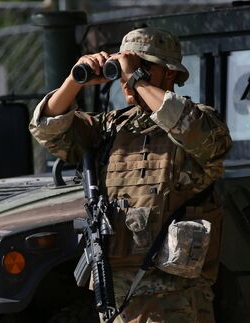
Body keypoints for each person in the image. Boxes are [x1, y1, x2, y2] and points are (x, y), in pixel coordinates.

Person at [29, 28, 232, 322]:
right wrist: (75, 79)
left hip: (175, 302)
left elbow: (195, 130)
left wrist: (135, 78)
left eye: (144, 67)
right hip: (117, 300)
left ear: (170, 75)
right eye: (124, 69)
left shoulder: (198, 123)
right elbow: (48, 128)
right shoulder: (108, 129)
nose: (127, 78)